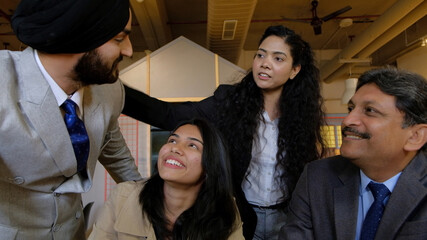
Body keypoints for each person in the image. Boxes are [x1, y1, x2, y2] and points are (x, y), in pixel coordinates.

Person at [123, 25, 326, 239]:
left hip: (287, 216)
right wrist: (113, 90)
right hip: (241, 215)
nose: (265, 63)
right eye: (260, 55)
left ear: (295, 69)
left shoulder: (303, 115)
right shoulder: (229, 102)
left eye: (278, 59)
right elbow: (170, 115)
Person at [0, 0, 142, 239]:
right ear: (77, 37)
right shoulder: (4, 82)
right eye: (119, 38)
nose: (129, 50)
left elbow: (111, 145)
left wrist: (149, 199)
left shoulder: (110, 90)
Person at [279, 67, 427, 240]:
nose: (347, 121)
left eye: (370, 110)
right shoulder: (317, 177)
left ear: (415, 137)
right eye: (351, 108)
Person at [88, 119, 244, 240]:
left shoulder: (225, 208)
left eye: (192, 145)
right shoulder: (123, 196)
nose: (175, 148)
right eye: (172, 140)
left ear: (210, 165)